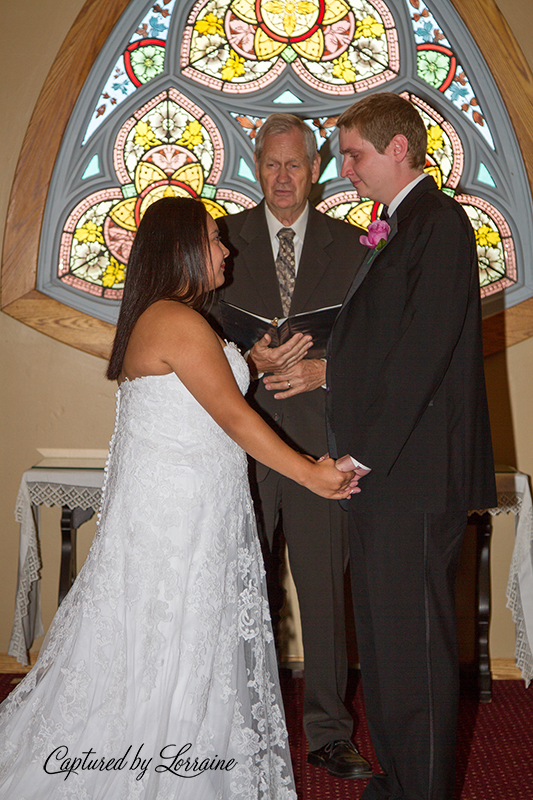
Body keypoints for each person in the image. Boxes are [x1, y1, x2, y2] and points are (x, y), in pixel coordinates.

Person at [0, 197, 357, 799]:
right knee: (177, 638)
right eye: (216, 239)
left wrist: (249, 358)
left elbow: (198, 392)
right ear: (183, 250)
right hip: (180, 517)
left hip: (190, 506)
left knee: (182, 642)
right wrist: (313, 475)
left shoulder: (171, 319)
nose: (227, 249)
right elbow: (235, 420)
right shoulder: (178, 321)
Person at [326, 92, 497, 799]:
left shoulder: (438, 223)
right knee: (389, 644)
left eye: (353, 154)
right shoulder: (402, 224)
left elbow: (420, 352)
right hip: (389, 473)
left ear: (398, 149)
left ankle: (420, 790)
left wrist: (359, 453)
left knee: (417, 651)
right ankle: (396, 780)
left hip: (411, 473)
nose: (345, 169)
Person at [214, 113, 371, 778]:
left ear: (315, 170)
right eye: (270, 165)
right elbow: (187, 328)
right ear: (258, 167)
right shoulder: (222, 240)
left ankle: (330, 732)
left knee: (322, 590)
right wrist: (242, 355)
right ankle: (241, 724)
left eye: (294, 165)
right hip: (241, 446)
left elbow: (382, 343)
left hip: (320, 449)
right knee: (244, 590)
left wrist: (325, 367)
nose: (282, 177)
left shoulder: (357, 245)